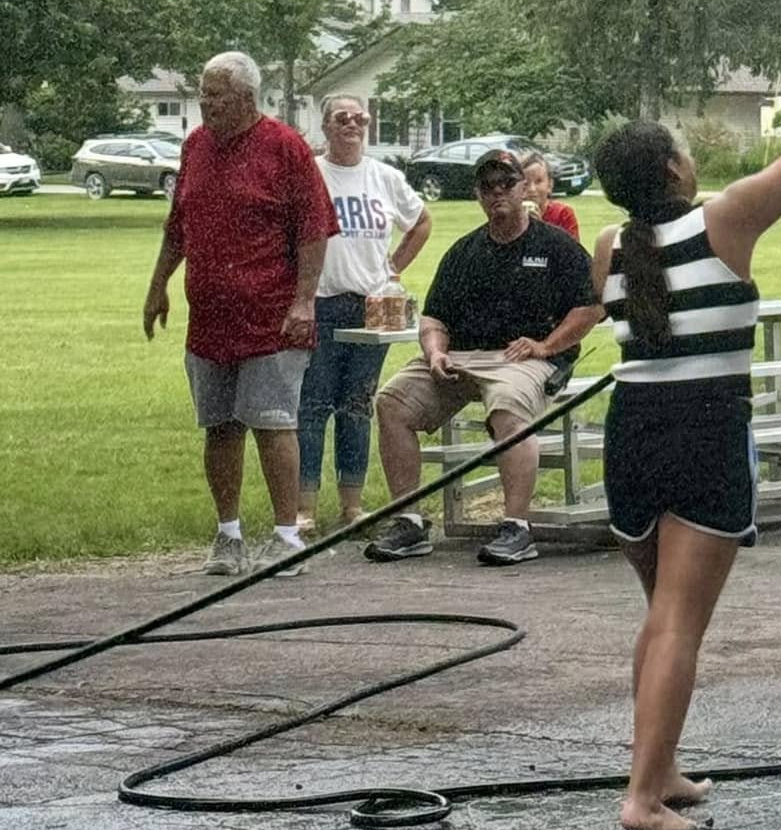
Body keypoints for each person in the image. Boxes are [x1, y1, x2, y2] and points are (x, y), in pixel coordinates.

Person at [592, 38, 781, 830]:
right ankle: (640, 797)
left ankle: (658, 767)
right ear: (675, 170)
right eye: (681, 146)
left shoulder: (610, 247)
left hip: (630, 435)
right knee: (678, 622)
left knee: (659, 616)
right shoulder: (726, 220)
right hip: (703, 431)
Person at [142, 51, 338, 577]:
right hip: (209, 318)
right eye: (203, 93)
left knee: (274, 423)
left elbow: (314, 229)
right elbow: (177, 223)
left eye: (216, 95)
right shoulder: (196, 147)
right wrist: (158, 285)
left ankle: (285, 537)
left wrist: (303, 300)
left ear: (247, 97)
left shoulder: (285, 148)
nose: (205, 104)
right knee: (219, 426)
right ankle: (227, 535)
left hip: (272, 316)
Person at [362, 148, 605, 566]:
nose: (497, 194)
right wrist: (435, 353)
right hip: (461, 357)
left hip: (524, 358)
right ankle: (408, 520)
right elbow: (434, 317)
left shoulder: (556, 246)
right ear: (477, 194)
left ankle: (516, 526)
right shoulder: (463, 252)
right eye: (487, 187)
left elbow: (592, 306)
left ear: (523, 187)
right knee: (392, 402)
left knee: (508, 408)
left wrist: (547, 345)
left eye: (506, 184)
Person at [297, 94, 431, 535]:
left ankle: (352, 506)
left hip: (373, 306)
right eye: (342, 118)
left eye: (360, 118)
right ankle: (305, 509)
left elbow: (421, 222)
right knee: (313, 404)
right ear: (326, 127)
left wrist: (393, 266)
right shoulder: (311, 174)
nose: (352, 125)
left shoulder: (385, 177)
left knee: (357, 405)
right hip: (321, 301)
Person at [520, 149, 580, 242]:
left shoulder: (563, 214)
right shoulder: (512, 215)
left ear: (550, 185)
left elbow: (572, 253)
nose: (532, 189)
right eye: (526, 183)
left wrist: (540, 227)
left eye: (538, 181)